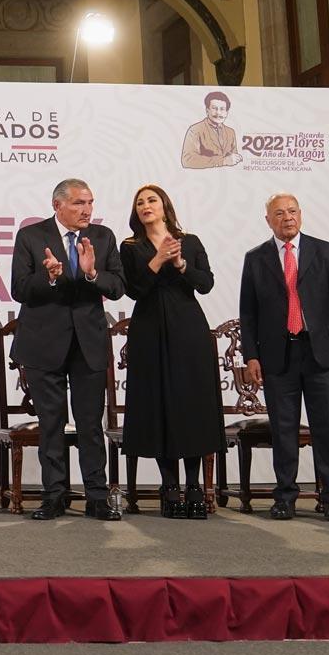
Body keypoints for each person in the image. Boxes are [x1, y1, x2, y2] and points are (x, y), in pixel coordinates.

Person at [11, 177, 126, 521]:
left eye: (90, 202)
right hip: (43, 343)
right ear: (57, 205)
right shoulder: (32, 236)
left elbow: (118, 286)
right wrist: (49, 277)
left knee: (91, 424)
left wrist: (92, 275)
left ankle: (96, 496)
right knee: (51, 423)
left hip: (88, 344)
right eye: (79, 203)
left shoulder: (103, 238)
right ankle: (54, 496)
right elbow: (19, 288)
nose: (87, 209)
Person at [239, 192, 329, 522]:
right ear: (268, 221)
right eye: (279, 213)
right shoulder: (256, 258)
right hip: (278, 356)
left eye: (292, 211)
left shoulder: (324, 251)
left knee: (326, 429)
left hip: (320, 353)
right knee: (284, 429)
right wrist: (252, 356)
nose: (287, 217)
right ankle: (285, 497)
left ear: (301, 215)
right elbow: (247, 314)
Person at [119, 184, 225, 519]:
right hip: (148, 329)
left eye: (152, 200)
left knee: (190, 404)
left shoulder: (189, 242)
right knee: (159, 404)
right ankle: (170, 486)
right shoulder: (130, 246)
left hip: (187, 328)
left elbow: (205, 283)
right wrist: (157, 260)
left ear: (165, 205)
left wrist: (179, 263)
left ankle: (194, 484)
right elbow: (133, 290)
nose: (146, 206)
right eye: (140, 203)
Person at [180, 90, 242, 169]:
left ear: (227, 112)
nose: (218, 113)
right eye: (214, 108)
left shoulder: (231, 132)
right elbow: (187, 160)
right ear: (207, 110)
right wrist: (222, 161)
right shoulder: (195, 130)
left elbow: (233, 159)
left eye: (222, 109)